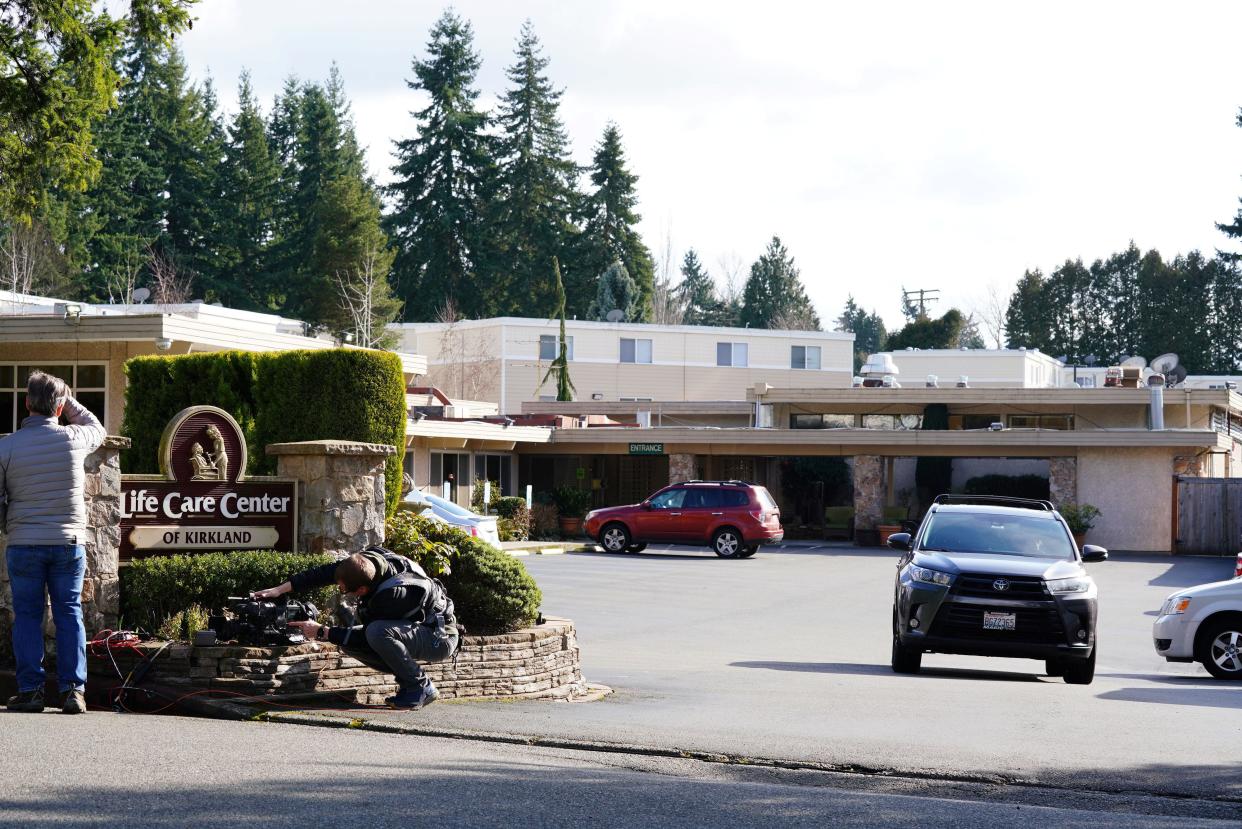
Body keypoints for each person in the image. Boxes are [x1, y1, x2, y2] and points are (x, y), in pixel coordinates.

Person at [1, 371, 106, 714]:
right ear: (59, 406)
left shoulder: (7, 446)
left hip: (24, 542)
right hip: (68, 542)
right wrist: (66, 400)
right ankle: (73, 691)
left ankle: (30, 691)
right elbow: (97, 426)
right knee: (69, 613)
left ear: (27, 403)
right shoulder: (75, 438)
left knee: (28, 616)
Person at [252, 546, 457, 709]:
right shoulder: (365, 563)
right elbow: (322, 573)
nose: (341, 591)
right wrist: (279, 589)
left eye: (344, 591)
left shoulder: (393, 596)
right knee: (348, 638)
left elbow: (368, 638)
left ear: (362, 589)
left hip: (439, 638)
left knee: (375, 633)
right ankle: (410, 685)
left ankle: (420, 686)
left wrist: (323, 632)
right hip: (415, 629)